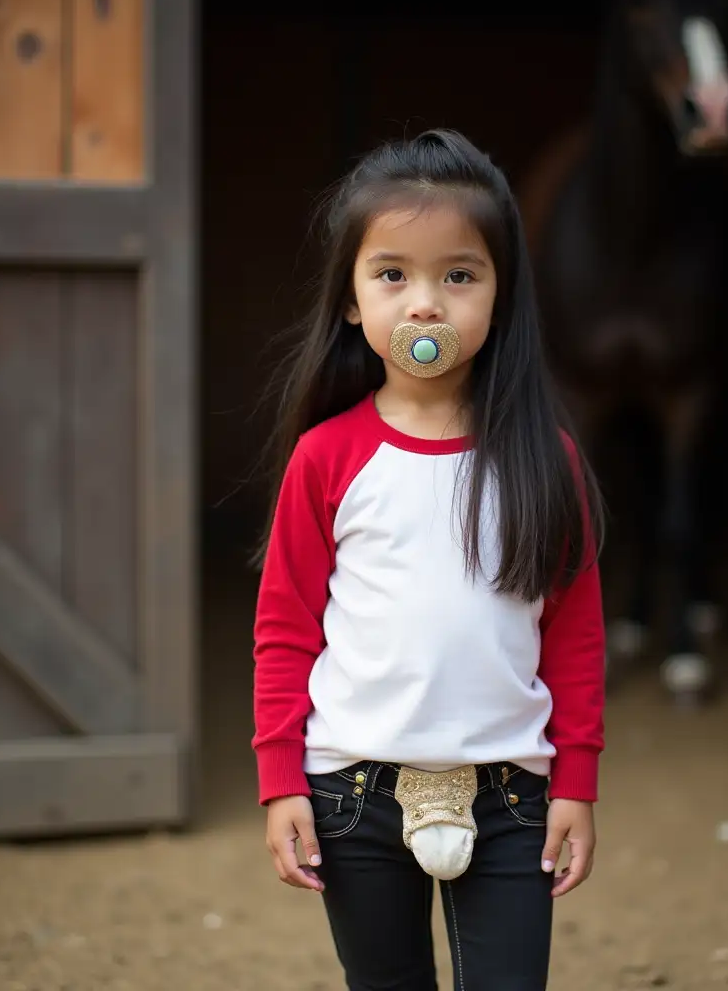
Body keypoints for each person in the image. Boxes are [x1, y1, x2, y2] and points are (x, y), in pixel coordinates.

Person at [252, 128, 607, 991]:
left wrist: (577, 781)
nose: (424, 304)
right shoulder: (326, 459)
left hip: (513, 796)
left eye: (459, 274)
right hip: (352, 793)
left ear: (500, 293)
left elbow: (575, 635)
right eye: (392, 275)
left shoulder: (544, 458)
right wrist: (280, 781)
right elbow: (284, 631)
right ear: (350, 300)